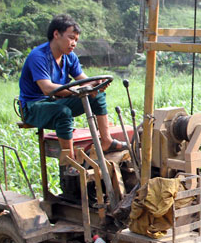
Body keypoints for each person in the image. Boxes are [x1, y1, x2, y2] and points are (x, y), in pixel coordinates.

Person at [18, 14, 125, 161]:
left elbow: (83, 80)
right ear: (56, 34)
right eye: (71, 38)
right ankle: (70, 160)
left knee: (97, 96)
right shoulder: (38, 56)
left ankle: (106, 141)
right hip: (34, 106)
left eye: (76, 40)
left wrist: (96, 85)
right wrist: (78, 90)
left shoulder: (70, 57)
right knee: (63, 112)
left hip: (56, 101)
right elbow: (47, 88)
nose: (74, 43)